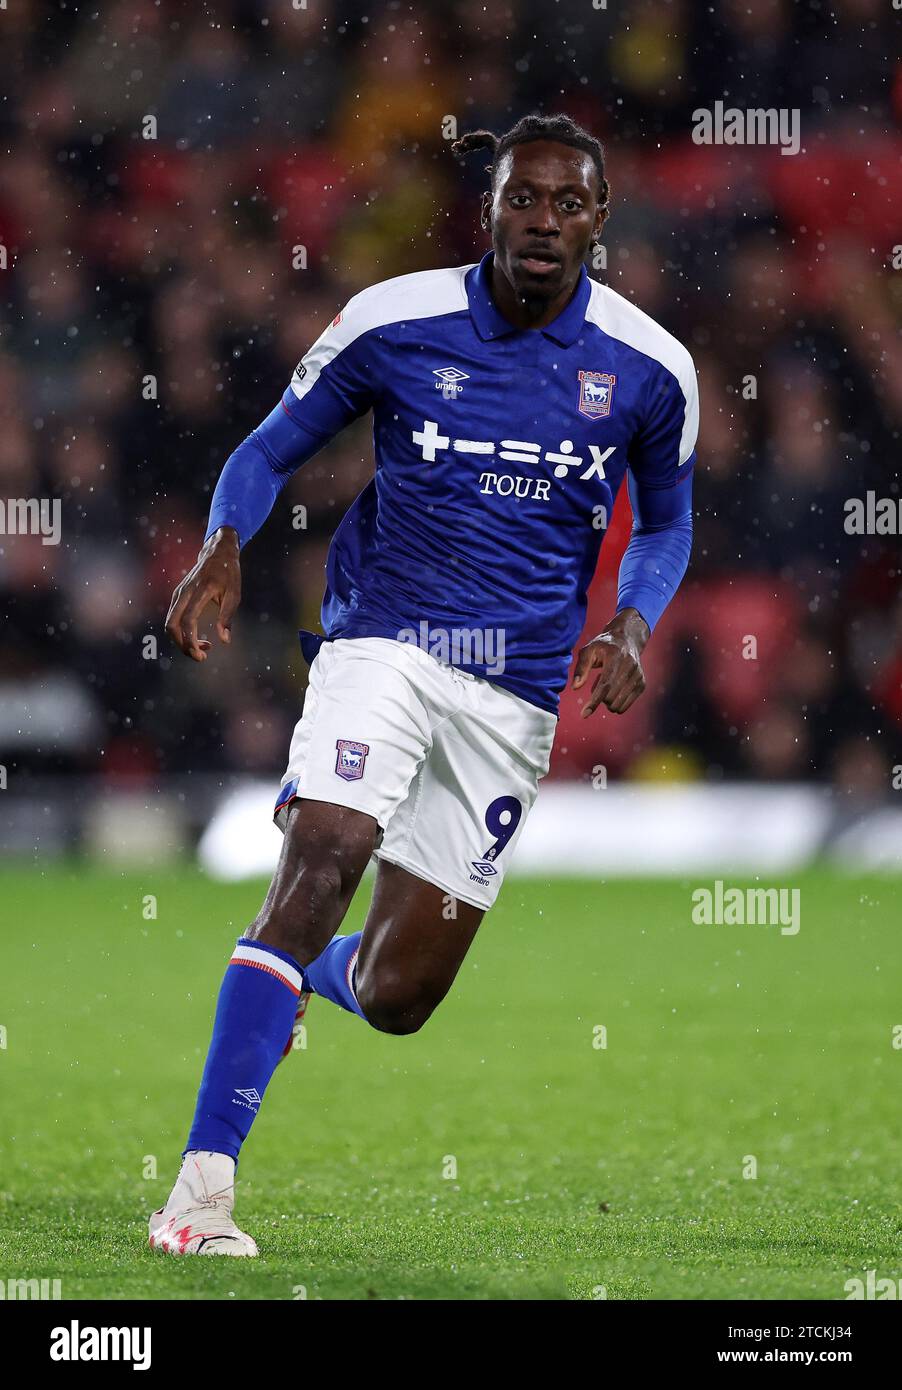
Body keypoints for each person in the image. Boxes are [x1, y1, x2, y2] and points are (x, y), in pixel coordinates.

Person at [150, 114, 698, 1256]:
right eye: (520, 199)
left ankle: (300, 982)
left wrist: (635, 621)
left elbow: (668, 519)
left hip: (514, 692)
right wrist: (223, 540)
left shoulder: (651, 369)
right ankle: (200, 1192)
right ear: (487, 209)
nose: (540, 222)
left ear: (600, 219)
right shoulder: (393, 321)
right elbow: (266, 449)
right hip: (383, 641)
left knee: (399, 994)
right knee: (324, 857)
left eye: (565, 203)